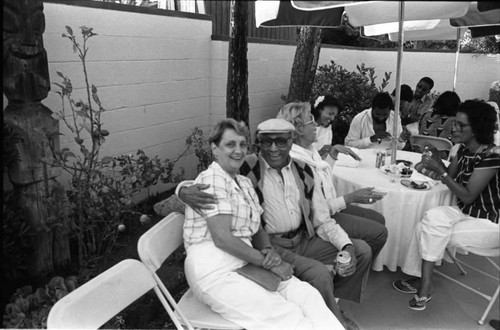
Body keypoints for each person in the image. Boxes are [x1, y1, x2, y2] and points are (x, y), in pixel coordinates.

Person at [178, 118, 372, 329]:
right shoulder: (219, 178)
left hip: (248, 258)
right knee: (288, 316)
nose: (238, 151)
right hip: (216, 268)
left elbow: (257, 227)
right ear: (215, 149)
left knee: (306, 295)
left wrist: (268, 251)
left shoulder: (243, 181)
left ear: (291, 142)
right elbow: (222, 238)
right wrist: (181, 190)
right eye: (230, 144)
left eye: (242, 144)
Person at [392, 100, 500, 311]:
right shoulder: (462, 150)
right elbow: (450, 180)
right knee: (430, 220)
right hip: (464, 213)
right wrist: (436, 159)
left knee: (429, 228)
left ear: (477, 128)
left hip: (489, 222)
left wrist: (440, 172)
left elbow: (467, 196)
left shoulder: (492, 157)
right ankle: (423, 280)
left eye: (461, 125)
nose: (454, 128)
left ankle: (424, 285)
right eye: (455, 123)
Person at [276, 102, 388, 261]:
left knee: (379, 219)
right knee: (379, 233)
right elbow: (314, 212)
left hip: (330, 208)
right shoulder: (296, 162)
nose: (316, 125)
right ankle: (354, 266)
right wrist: (350, 198)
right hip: (320, 219)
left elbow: (319, 179)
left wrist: (333, 153)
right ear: (299, 129)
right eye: (311, 121)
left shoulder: (309, 150)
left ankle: (358, 266)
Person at [344, 92, 411, 150]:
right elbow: (348, 145)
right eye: (377, 114)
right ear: (372, 109)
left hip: (387, 159)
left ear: (390, 111)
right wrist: (371, 139)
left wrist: (401, 140)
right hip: (364, 159)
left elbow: (399, 147)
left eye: (385, 115)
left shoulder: (395, 118)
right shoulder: (359, 119)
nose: (381, 118)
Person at [311, 95, 361, 161]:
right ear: (319, 110)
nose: (332, 118)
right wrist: (319, 153)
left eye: (334, 116)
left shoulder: (327, 127)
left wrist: (334, 149)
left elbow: (326, 151)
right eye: (330, 114)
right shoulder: (306, 127)